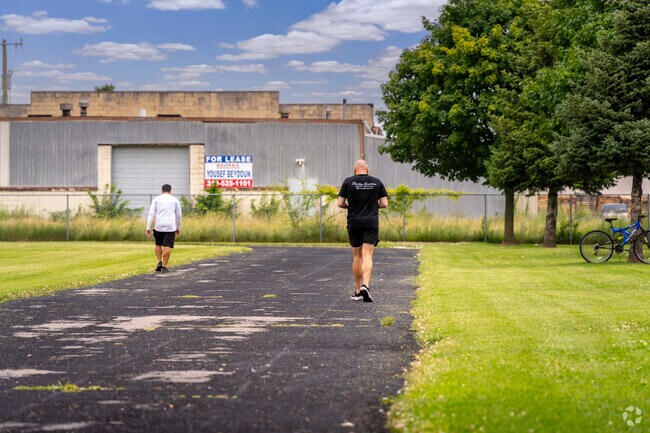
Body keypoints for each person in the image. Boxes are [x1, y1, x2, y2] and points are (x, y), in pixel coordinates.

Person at [337, 160, 388, 302]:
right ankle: (366, 284)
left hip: (354, 222)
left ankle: (358, 290)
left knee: (357, 256)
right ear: (367, 169)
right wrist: (372, 205)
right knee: (367, 255)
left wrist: (351, 206)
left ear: (354, 170)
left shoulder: (348, 182)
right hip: (371, 222)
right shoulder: (376, 182)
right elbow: (384, 203)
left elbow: (340, 203)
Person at [145, 184, 182, 273]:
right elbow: (178, 215)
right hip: (170, 226)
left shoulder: (156, 199)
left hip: (159, 226)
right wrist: (178, 227)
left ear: (162, 190)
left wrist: (148, 227)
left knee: (158, 244)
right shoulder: (174, 200)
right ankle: (165, 266)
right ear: (170, 191)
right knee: (167, 246)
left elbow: (151, 214)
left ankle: (159, 261)